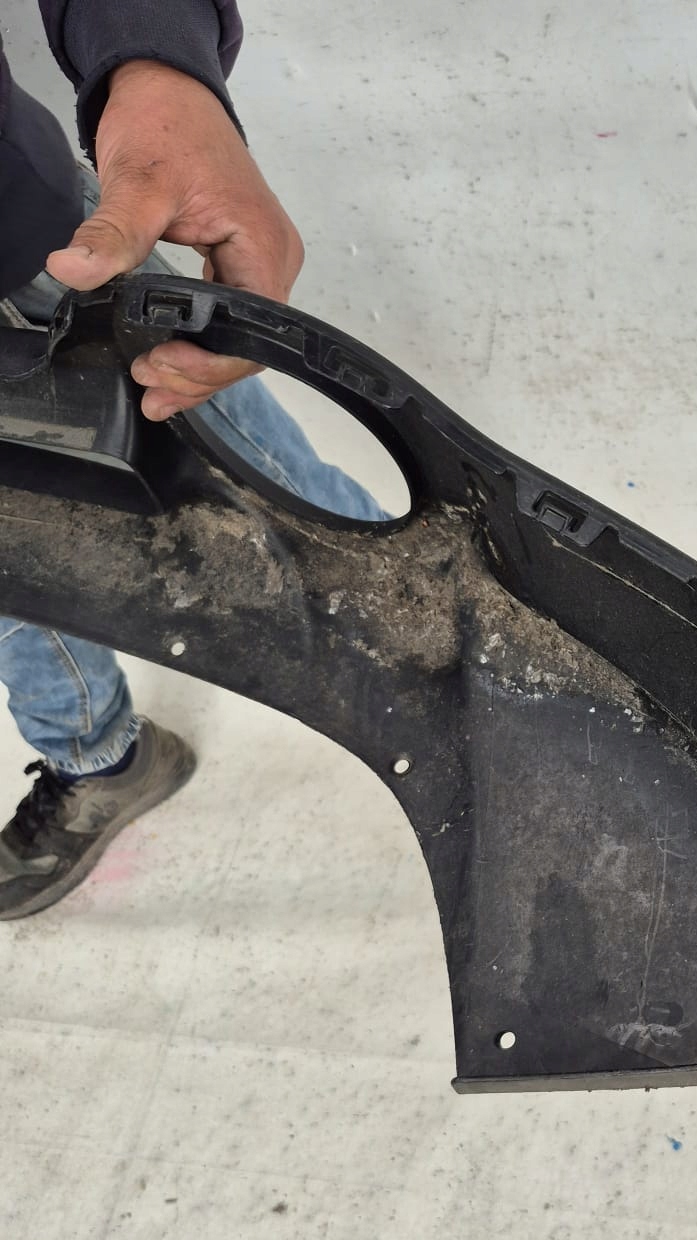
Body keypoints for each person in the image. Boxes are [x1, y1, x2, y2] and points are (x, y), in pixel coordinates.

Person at [0, 1, 384, 919]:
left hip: (24, 258)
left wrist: (155, 60)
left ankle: (448, 637)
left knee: (270, 492)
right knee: (11, 572)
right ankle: (100, 759)